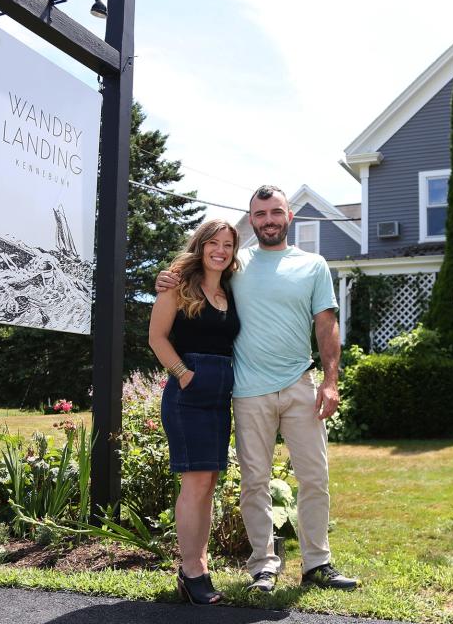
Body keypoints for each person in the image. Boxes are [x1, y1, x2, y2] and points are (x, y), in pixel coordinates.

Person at [157, 185, 358, 593]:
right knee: (254, 482)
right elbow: (196, 273)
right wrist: (164, 277)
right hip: (248, 389)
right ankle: (262, 567)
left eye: (275, 212)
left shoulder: (313, 264)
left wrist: (331, 381)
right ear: (251, 219)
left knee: (315, 477)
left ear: (289, 217)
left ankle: (317, 563)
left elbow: (326, 324)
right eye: (260, 213)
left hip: (301, 384)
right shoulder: (235, 263)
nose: (268, 220)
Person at [148, 218, 241, 605]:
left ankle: (197, 567)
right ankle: (191, 571)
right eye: (213, 243)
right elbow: (156, 337)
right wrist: (184, 374)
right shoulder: (178, 286)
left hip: (220, 395)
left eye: (228, 245)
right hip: (188, 393)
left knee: (208, 483)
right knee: (195, 482)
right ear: (201, 246)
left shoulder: (233, 290)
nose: (221, 250)